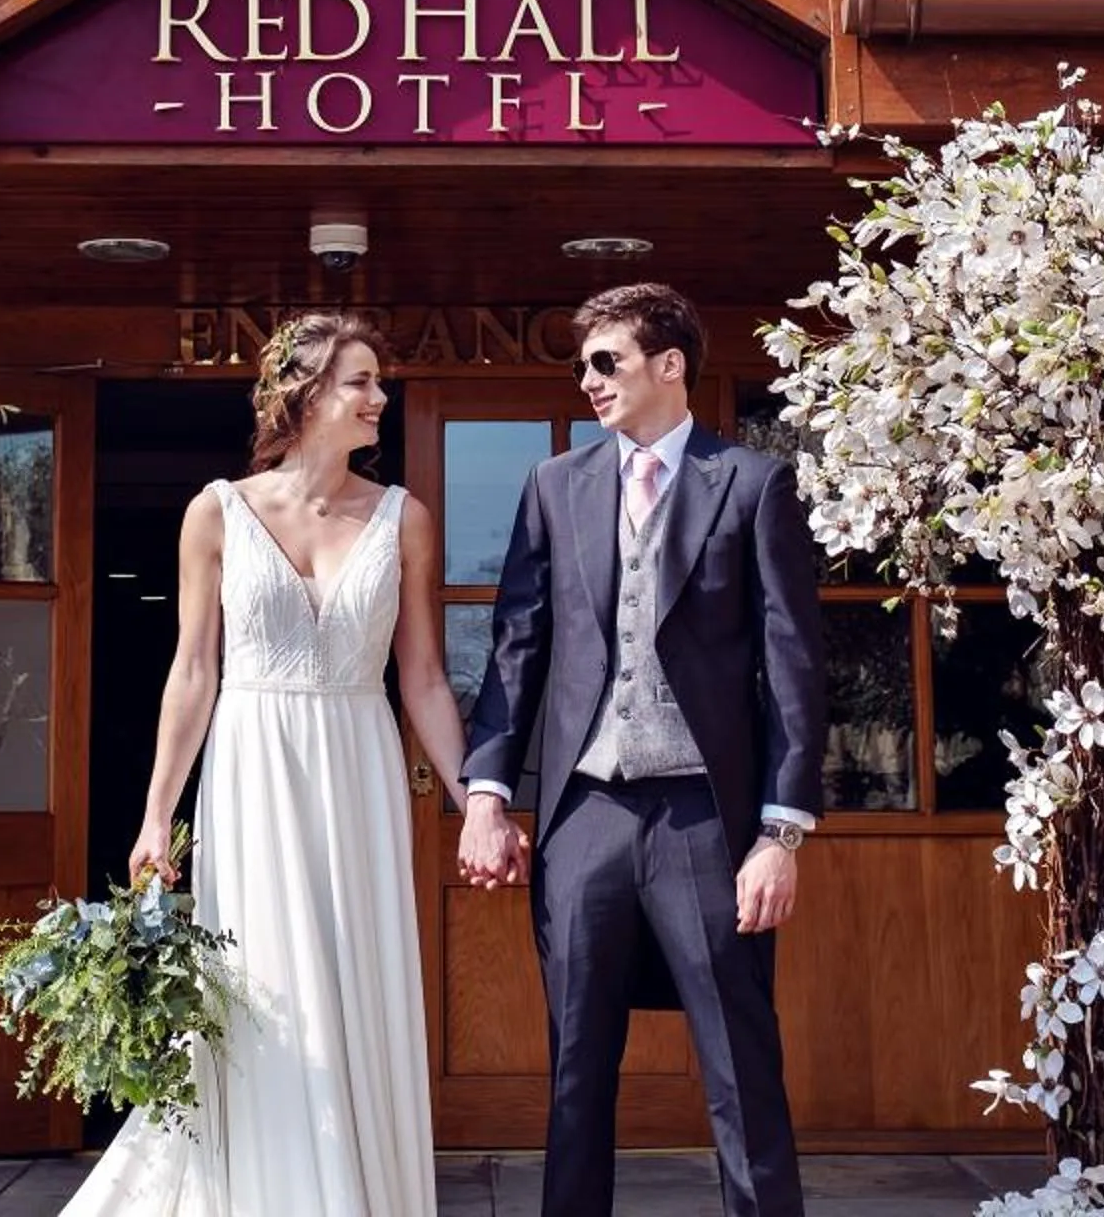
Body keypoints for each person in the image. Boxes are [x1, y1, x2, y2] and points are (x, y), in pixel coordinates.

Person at [61, 312, 469, 1217]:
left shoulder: (405, 518)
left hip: (359, 768)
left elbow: (427, 678)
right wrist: (154, 817)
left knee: (356, 985)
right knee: (263, 987)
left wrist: (472, 797)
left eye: (377, 381)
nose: (378, 398)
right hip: (253, 773)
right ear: (307, 393)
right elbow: (193, 672)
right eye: (359, 382)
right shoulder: (217, 511)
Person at [458, 283, 828, 1217]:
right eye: (581, 364)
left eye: (605, 361)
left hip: (707, 817)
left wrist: (779, 834)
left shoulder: (749, 482)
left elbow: (792, 665)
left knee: (740, 1064)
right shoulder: (555, 485)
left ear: (670, 366)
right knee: (577, 1067)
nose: (587, 381)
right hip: (585, 816)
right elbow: (517, 645)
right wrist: (488, 792)